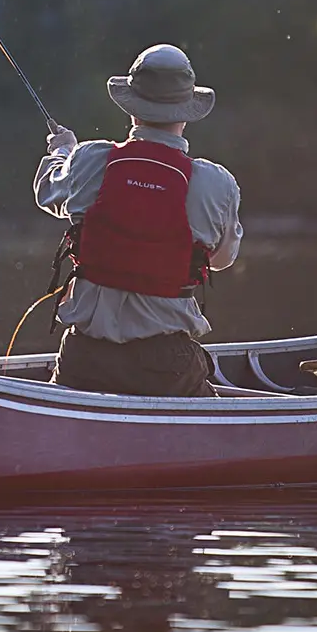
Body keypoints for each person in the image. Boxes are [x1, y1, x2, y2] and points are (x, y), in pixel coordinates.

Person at [34, 44, 242, 397]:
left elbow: (47, 192)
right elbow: (222, 260)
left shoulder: (89, 159)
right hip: (166, 365)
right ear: (187, 111)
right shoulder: (216, 183)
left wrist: (62, 150)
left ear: (131, 107)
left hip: (85, 357)